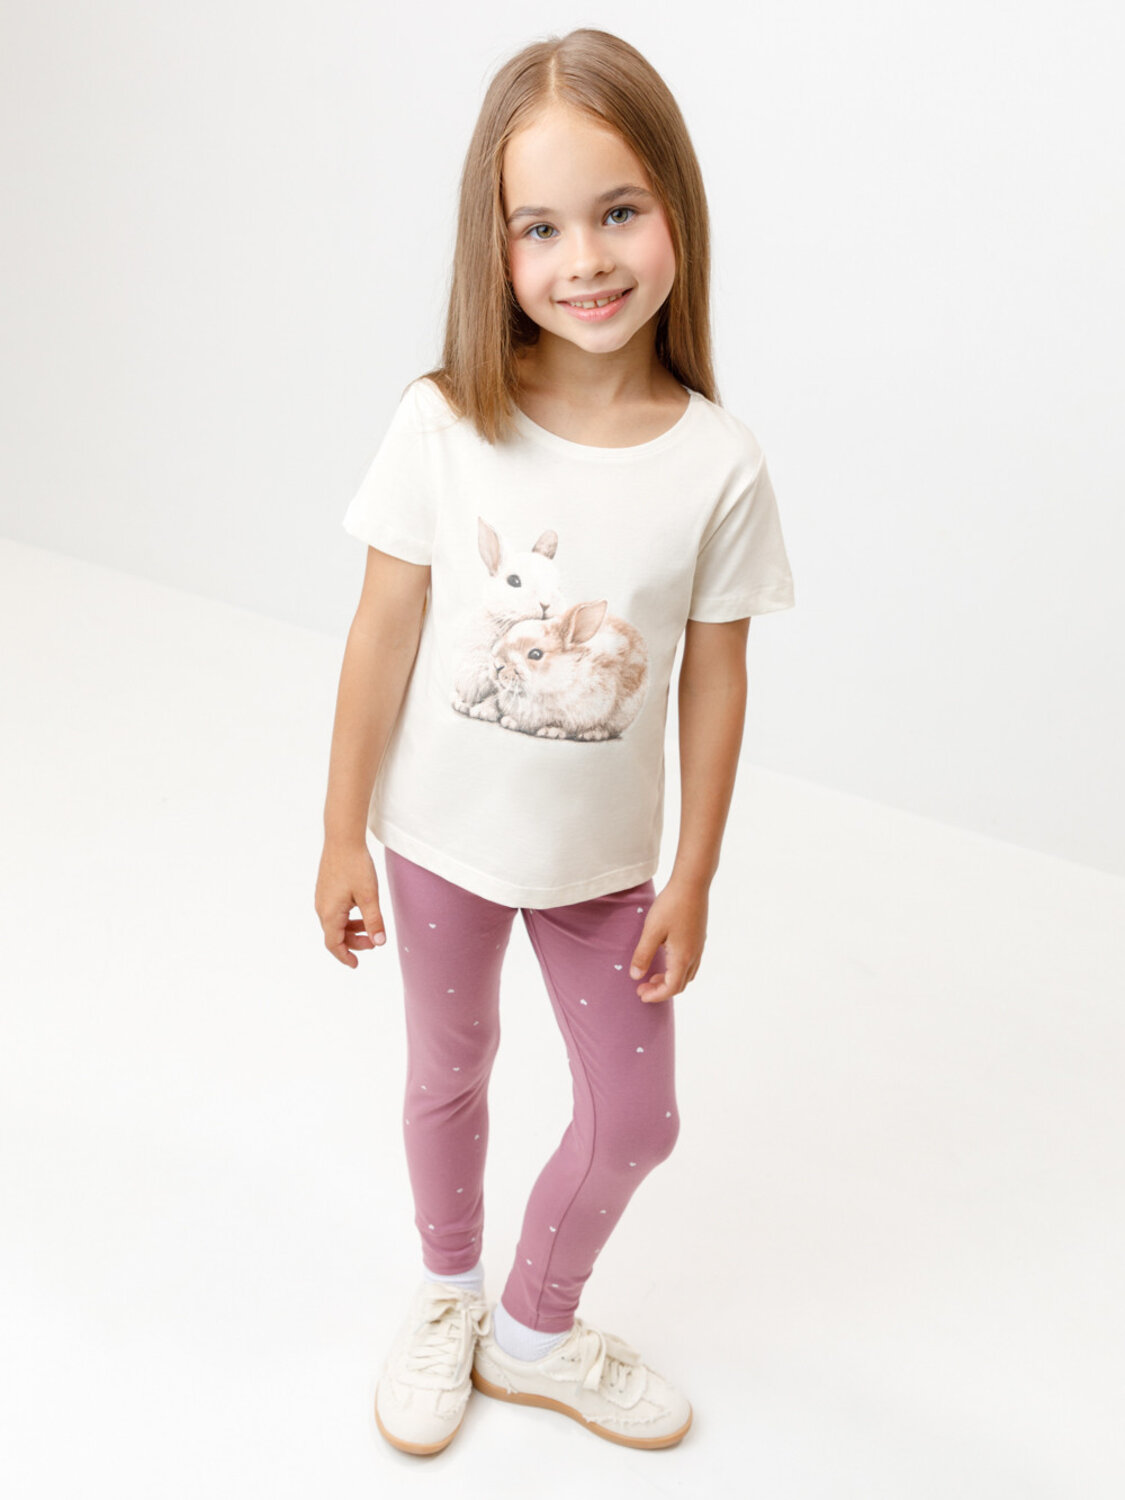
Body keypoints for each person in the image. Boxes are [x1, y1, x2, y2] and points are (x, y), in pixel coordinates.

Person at [315, 27, 795, 1456]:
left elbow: (715, 681)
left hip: (602, 870)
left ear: (674, 213)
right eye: (541, 227)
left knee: (636, 1119)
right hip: (440, 845)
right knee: (447, 1070)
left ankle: (532, 1329)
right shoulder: (445, 421)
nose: (584, 259)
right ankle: (448, 1293)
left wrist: (694, 871)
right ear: (498, 243)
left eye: (618, 212)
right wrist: (341, 832)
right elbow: (380, 630)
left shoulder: (717, 463)